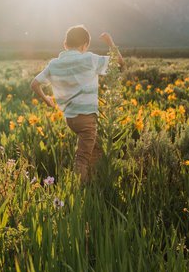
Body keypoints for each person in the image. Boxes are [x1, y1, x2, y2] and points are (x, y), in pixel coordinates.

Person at [30, 25, 123, 181]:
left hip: (71, 119)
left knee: (97, 149)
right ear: (85, 45)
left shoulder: (54, 64)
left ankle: (95, 181)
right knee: (82, 159)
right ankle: (81, 191)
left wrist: (47, 100)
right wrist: (110, 43)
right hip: (87, 118)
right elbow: (119, 63)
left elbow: (34, 84)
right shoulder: (89, 59)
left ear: (65, 44)